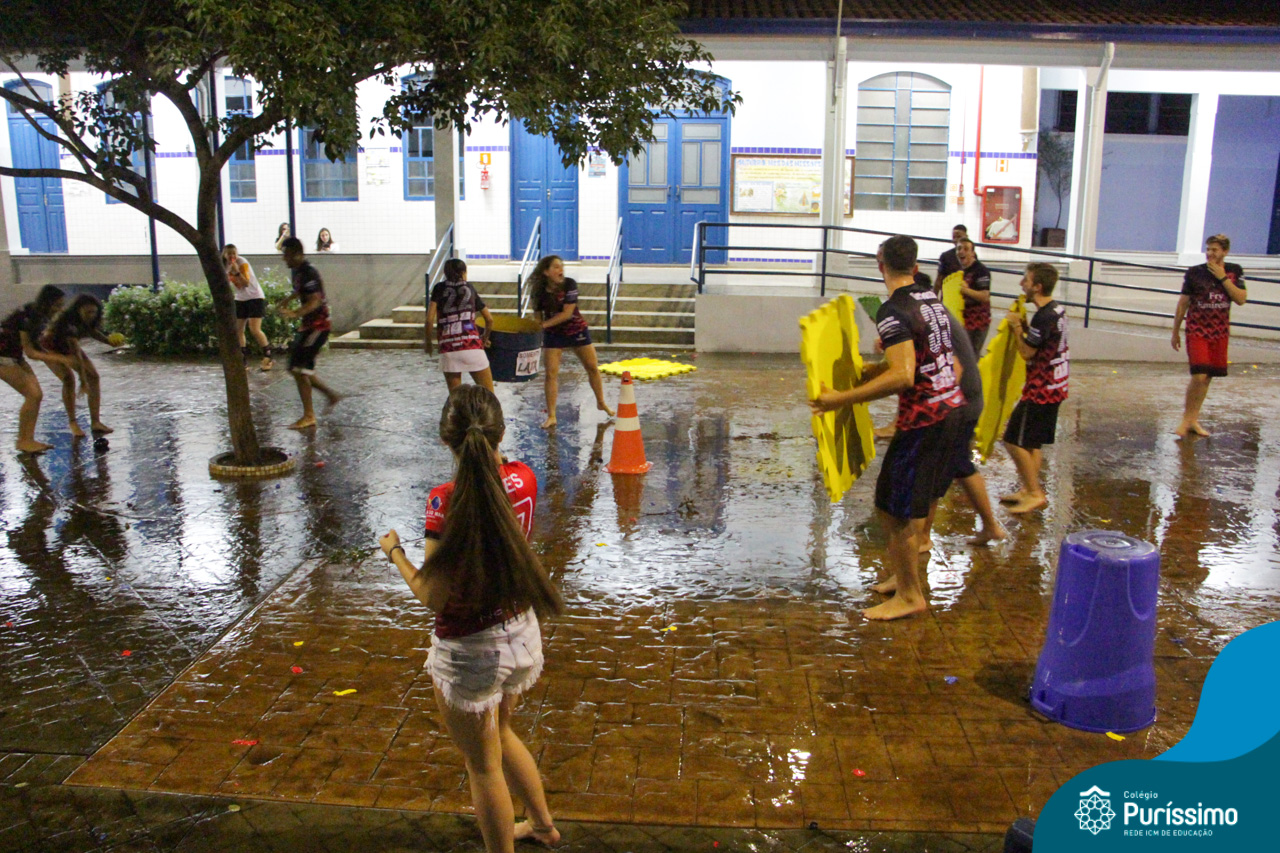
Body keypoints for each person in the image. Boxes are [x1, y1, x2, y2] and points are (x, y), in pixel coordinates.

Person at [379, 386, 563, 853]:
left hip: (470, 651)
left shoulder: (445, 501)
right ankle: (542, 824)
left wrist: (395, 553)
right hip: (521, 630)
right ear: (500, 432)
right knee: (501, 731)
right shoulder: (524, 478)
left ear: (447, 440)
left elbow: (433, 596)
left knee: (483, 766)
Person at [811, 236, 965, 621]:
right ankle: (903, 576)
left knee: (891, 509)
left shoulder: (893, 309)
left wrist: (841, 399)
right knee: (909, 505)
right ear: (915, 266)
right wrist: (874, 370)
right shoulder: (931, 299)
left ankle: (910, 595)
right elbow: (927, 358)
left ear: (880, 265)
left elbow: (904, 375)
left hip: (923, 420)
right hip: (950, 410)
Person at [922, 300, 1006, 549]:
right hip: (967, 400)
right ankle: (991, 527)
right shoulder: (936, 313)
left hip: (961, 404)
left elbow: (954, 369)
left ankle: (924, 537)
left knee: (935, 468)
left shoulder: (931, 319)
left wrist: (936, 409)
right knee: (960, 464)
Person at [1001, 263, 1068, 514]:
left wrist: (1017, 327)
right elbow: (1040, 341)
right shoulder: (1056, 310)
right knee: (1032, 442)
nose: (1022, 284)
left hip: (1041, 390)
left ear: (1037, 287)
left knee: (1012, 440)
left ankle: (1035, 493)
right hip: (1056, 386)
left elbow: (1028, 352)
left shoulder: (1044, 316)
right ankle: (1027, 489)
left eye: (1026, 280)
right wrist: (1026, 327)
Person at [1171, 234, 1246, 439]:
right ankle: (1186, 418)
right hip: (1198, 329)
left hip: (1219, 331)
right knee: (1199, 375)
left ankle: (1193, 419)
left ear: (1225, 252)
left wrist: (1222, 277)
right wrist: (1175, 331)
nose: (1210, 253)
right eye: (1208, 249)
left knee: (1208, 377)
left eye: (1215, 250)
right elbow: (1183, 303)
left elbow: (1241, 299)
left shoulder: (1234, 271)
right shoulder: (1195, 273)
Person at [528, 255, 614, 429]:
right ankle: (552, 415)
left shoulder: (569, 284)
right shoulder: (538, 291)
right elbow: (537, 317)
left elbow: (567, 314)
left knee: (592, 367)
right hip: (553, 333)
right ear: (546, 272)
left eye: (562, 266)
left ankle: (601, 402)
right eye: (556, 267)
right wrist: (535, 330)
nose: (561, 270)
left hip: (576, 329)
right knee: (551, 374)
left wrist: (543, 325)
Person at [278, 237, 341, 429]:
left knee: (298, 369)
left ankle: (309, 416)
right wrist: (287, 300)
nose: (284, 258)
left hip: (318, 326)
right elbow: (301, 291)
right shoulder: (298, 271)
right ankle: (331, 395)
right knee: (300, 368)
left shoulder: (308, 272)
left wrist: (295, 313)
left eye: (287, 255)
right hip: (310, 326)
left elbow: (315, 300)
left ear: (298, 254)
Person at [0, 285, 71, 453]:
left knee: (36, 395)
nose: (60, 309)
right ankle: (24, 441)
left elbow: (36, 347)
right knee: (33, 395)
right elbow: (31, 352)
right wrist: (61, 359)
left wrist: (59, 364)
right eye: (57, 305)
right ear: (46, 303)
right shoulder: (29, 317)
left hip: (15, 357)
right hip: (3, 357)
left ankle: (27, 439)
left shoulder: (37, 316)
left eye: (61, 305)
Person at [40, 293, 114, 438]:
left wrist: (108, 341)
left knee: (94, 377)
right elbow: (76, 353)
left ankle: (96, 422)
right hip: (50, 349)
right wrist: (82, 380)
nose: (91, 315)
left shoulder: (85, 321)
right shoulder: (68, 324)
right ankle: (73, 422)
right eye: (87, 312)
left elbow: (91, 331)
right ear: (78, 310)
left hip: (67, 347)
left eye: (93, 312)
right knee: (68, 379)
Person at [427, 259, 494, 393]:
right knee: (489, 395)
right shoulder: (470, 288)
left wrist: (428, 342)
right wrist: (484, 338)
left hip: (448, 349)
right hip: (472, 346)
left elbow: (429, 320)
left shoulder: (438, 288)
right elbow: (489, 319)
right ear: (463, 272)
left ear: (446, 273)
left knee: (456, 398)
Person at [224, 245, 273, 371]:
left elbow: (245, 283)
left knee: (254, 329)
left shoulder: (242, 262)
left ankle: (268, 355)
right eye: (229, 254)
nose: (232, 256)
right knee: (239, 329)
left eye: (234, 253)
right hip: (240, 298)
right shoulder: (225, 266)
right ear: (224, 255)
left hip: (255, 297)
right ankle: (243, 359)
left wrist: (237, 272)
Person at [955, 239, 993, 354]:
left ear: (973, 253)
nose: (961, 251)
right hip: (962, 321)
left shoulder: (981, 271)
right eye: (959, 248)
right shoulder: (958, 271)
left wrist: (965, 290)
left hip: (977, 323)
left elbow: (984, 296)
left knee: (971, 357)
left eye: (966, 249)